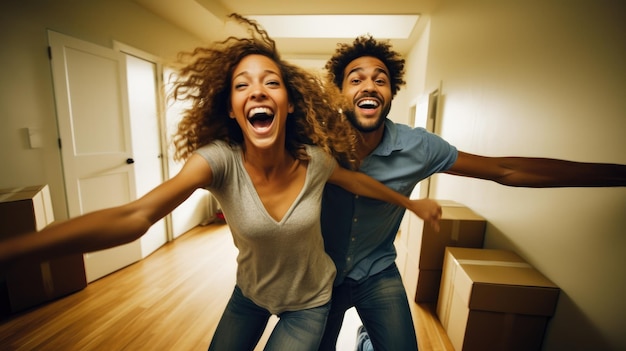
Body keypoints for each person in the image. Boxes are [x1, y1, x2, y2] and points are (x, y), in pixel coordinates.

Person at [0, 16, 444, 351]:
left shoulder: (316, 162)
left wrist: (411, 205)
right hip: (249, 294)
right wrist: (16, 249)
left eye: (272, 82)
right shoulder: (217, 163)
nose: (258, 91)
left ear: (289, 104)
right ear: (232, 109)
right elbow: (135, 215)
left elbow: (358, 184)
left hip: (310, 301)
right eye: (242, 85)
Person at [318, 35, 626, 351]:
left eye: (380, 80)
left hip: (377, 271)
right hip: (319, 274)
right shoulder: (317, 141)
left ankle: (367, 339)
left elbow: (504, 169)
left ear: (390, 92)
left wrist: (616, 173)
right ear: (341, 93)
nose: (369, 86)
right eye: (356, 80)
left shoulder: (419, 147)